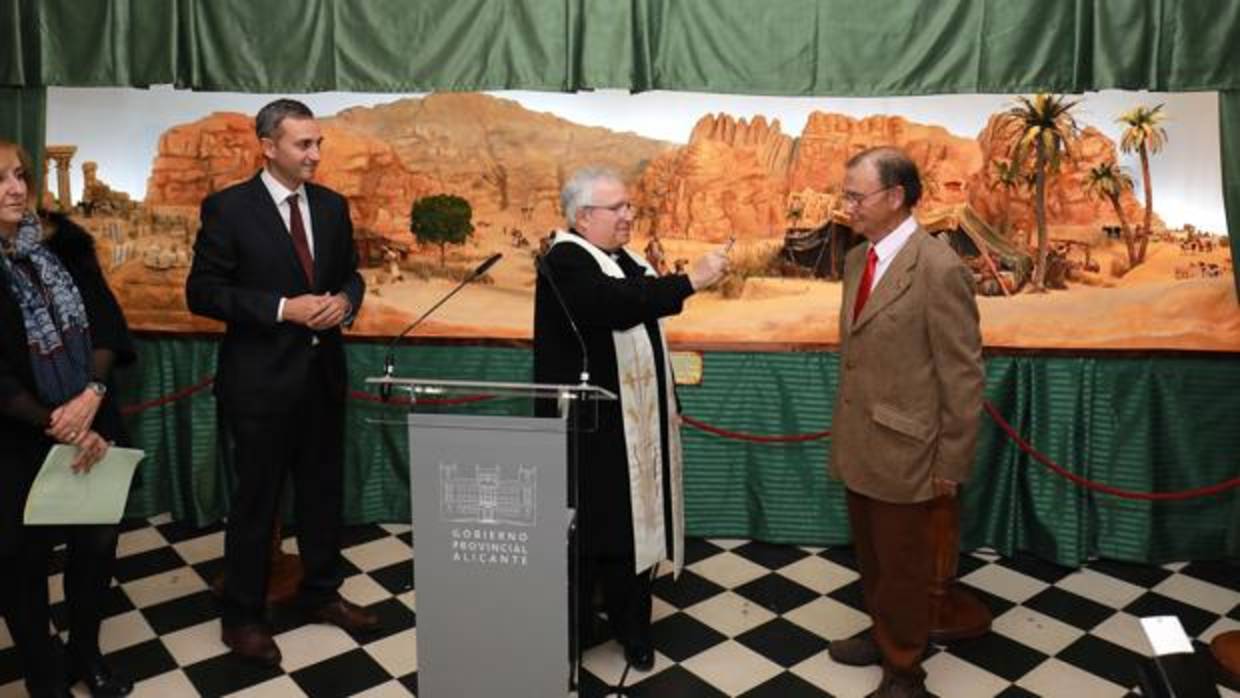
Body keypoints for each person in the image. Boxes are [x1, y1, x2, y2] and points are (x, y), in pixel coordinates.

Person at [185, 98, 374, 667]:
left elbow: (352, 277)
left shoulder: (333, 207)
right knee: (255, 504)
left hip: (322, 381)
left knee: (321, 496)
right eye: (304, 145)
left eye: (318, 144)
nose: (315, 154)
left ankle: (321, 593)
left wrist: (345, 301)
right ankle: (241, 616)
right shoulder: (228, 209)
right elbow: (204, 293)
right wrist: (283, 308)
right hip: (260, 386)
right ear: (268, 146)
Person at [533, 167, 729, 671]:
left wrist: (672, 408)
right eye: (617, 208)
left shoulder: (627, 259)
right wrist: (692, 280)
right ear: (583, 217)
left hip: (635, 425)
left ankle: (632, 627)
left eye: (629, 207)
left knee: (634, 529)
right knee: (590, 530)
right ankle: (572, 630)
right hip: (589, 428)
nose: (628, 215)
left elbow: (651, 342)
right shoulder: (565, 261)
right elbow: (616, 308)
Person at [827, 147, 984, 698]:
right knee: (872, 557)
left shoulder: (938, 268)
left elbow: (963, 376)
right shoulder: (856, 260)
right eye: (845, 194)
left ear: (895, 197)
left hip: (909, 452)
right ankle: (884, 631)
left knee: (903, 566)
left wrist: (951, 462)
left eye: (855, 195)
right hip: (860, 444)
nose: (846, 206)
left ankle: (904, 670)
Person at [0, 139, 136, 698]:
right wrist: (53, 419)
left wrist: (90, 395)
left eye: (18, 176)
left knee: (96, 543)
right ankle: (43, 673)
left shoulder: (66, 243)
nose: (14, 189)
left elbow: (106, 322)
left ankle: (86, 652)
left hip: (92, 420)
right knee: (19, 562)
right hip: (13, 436)